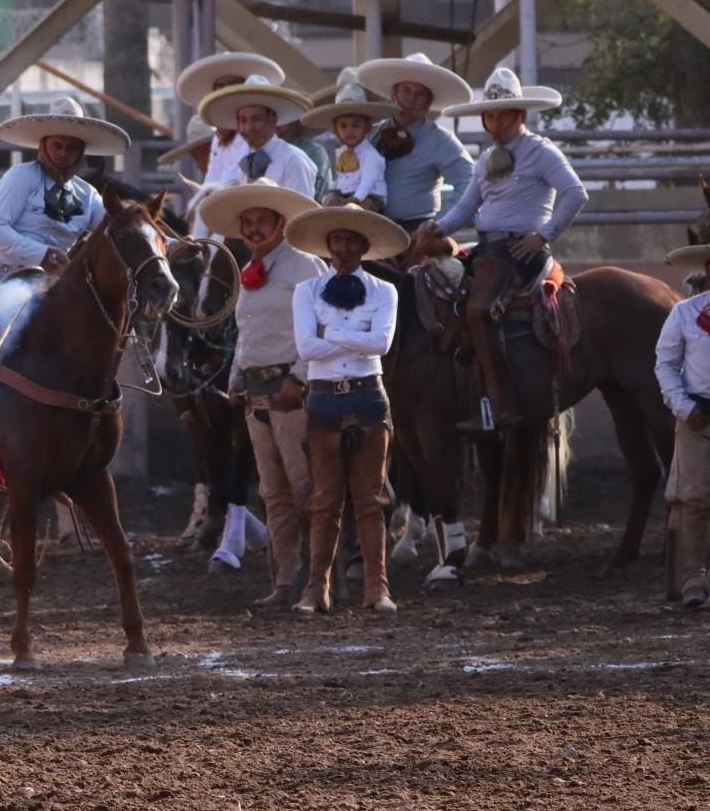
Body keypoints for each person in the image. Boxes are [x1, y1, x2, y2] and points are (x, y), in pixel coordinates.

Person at [415, 68, 588, 431]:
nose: (494, 122)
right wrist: (439, 226)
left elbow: (576, 193)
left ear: (521, 116)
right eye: (489, 115)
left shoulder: (541, 152)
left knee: (479, 310)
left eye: (503, 114)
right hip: (489, 250)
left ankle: (501, 404)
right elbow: (466, 207)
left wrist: (543, 235)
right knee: (437, 288)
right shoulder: (484, 160)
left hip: (521, 250)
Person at [199, 182, 325, 608]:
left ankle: (320, 579)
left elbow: (322, 325)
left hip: (289, 390)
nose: (254, 229)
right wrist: (236, 377)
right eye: (247, 223)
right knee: (273, 492)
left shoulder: (305, 266)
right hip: (255, 393)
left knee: (305, 485)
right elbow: (247, 333)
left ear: (280, 224)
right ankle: (285, 581)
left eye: (262, 222)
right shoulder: (250, 273)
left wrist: (301, 376)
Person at [286, 204, 407, 613]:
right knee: (325, 499)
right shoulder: (306, 291)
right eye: (337, 240)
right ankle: (315, 589)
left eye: (352, 241)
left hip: (368, 394)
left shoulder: (384, 291)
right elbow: (306, 347)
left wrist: (332, 333)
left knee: (371, 499)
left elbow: (383, 345)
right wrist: (357, 335)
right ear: (327, 245)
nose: (343, 248)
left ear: (364, 246)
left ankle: (378, 589)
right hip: (323, 396)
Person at [0, 97, 130, 281]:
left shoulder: (88, 195)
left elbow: (122, 225)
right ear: (42, 147)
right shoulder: (21, 176)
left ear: (81, 152)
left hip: (44, 283)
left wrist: (165, 242)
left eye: (71, 148)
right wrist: (42, 255)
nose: (63, 153)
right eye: (57, 145)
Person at [356, 51, 476, 232]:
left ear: (429, 103)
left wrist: (439, 225)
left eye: (420, 94)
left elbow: (469, 182)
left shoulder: (440, 139)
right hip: (369, 229)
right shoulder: (369, 133)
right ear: (393, 94)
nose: (410, 99)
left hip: (416, 231)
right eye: (405, 91)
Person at [175, 52, 285, 235]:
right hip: (223, 208)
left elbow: (234, 182)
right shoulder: (218, 138)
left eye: (232, 85)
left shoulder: (252, 136)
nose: (225, 90)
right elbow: (212, 178)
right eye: (220, 86)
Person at [656, 243, 710, 609]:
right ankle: (692, 577)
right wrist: (683, 406)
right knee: (693, 498)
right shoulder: (685, 313)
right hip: (697, 415)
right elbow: (665, 364)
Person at [199, 75, 319, 199]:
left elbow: (301, 212)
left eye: (256, 119)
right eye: (243, 120)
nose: (249, 127)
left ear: (273, 119)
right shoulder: (245, 166)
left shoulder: (293, 159)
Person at [302, 70, 398, 212]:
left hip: (371, 196)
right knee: (330, 201)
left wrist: (356, 198)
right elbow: (342, 178)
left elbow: (368, 181)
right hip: (347, 194)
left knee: (361, 208)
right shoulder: (341, 153)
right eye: (343, 126)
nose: (350, 131)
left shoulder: (371, 155)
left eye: (356, 125)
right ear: (335, 130)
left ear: (367, 127)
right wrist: (332, 193)